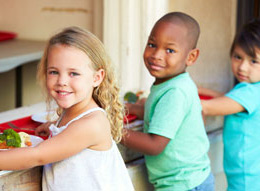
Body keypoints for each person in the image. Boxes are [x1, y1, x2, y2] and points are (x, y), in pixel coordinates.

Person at [0, 26, 134, 191]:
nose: (61, 81)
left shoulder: (92, 124)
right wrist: (53, 127)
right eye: (54, 72)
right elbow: (71, 134)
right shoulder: (72, 114)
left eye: (73, 74)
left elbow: (38, 156)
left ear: (96, 78)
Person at [121, 12, 214, 191]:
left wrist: (114, 131)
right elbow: (160, 112)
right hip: (190, 180)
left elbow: (154, 144)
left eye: (170, 50)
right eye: (152, 44)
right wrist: (132, 108)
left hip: (183, 184)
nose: (156, 55)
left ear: (191, 57)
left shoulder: (175, 92)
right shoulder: (174, 83)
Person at [198, 18, 260, 191]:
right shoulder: (252, 91)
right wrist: (202, 90)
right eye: (237, 57)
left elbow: (206, 107)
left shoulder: (250, 92)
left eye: (253, 61)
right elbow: (229, 99)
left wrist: (179, 93)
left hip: (246, 182)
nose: (242, 67)